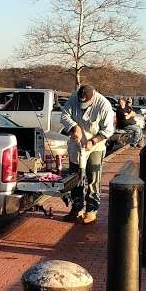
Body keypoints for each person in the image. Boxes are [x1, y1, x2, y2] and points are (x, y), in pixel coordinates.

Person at [60, 84, 115, 224]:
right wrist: (73, 127)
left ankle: (91, 209)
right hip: (76, 144)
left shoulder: (104, 105)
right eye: (81, 102)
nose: (82, 104)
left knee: (93, 178)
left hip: (95, 146)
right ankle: (76, 207)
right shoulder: (73, 99)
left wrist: (94, 140)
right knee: (75, 177)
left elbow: (108, 130)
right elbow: (65, 115)